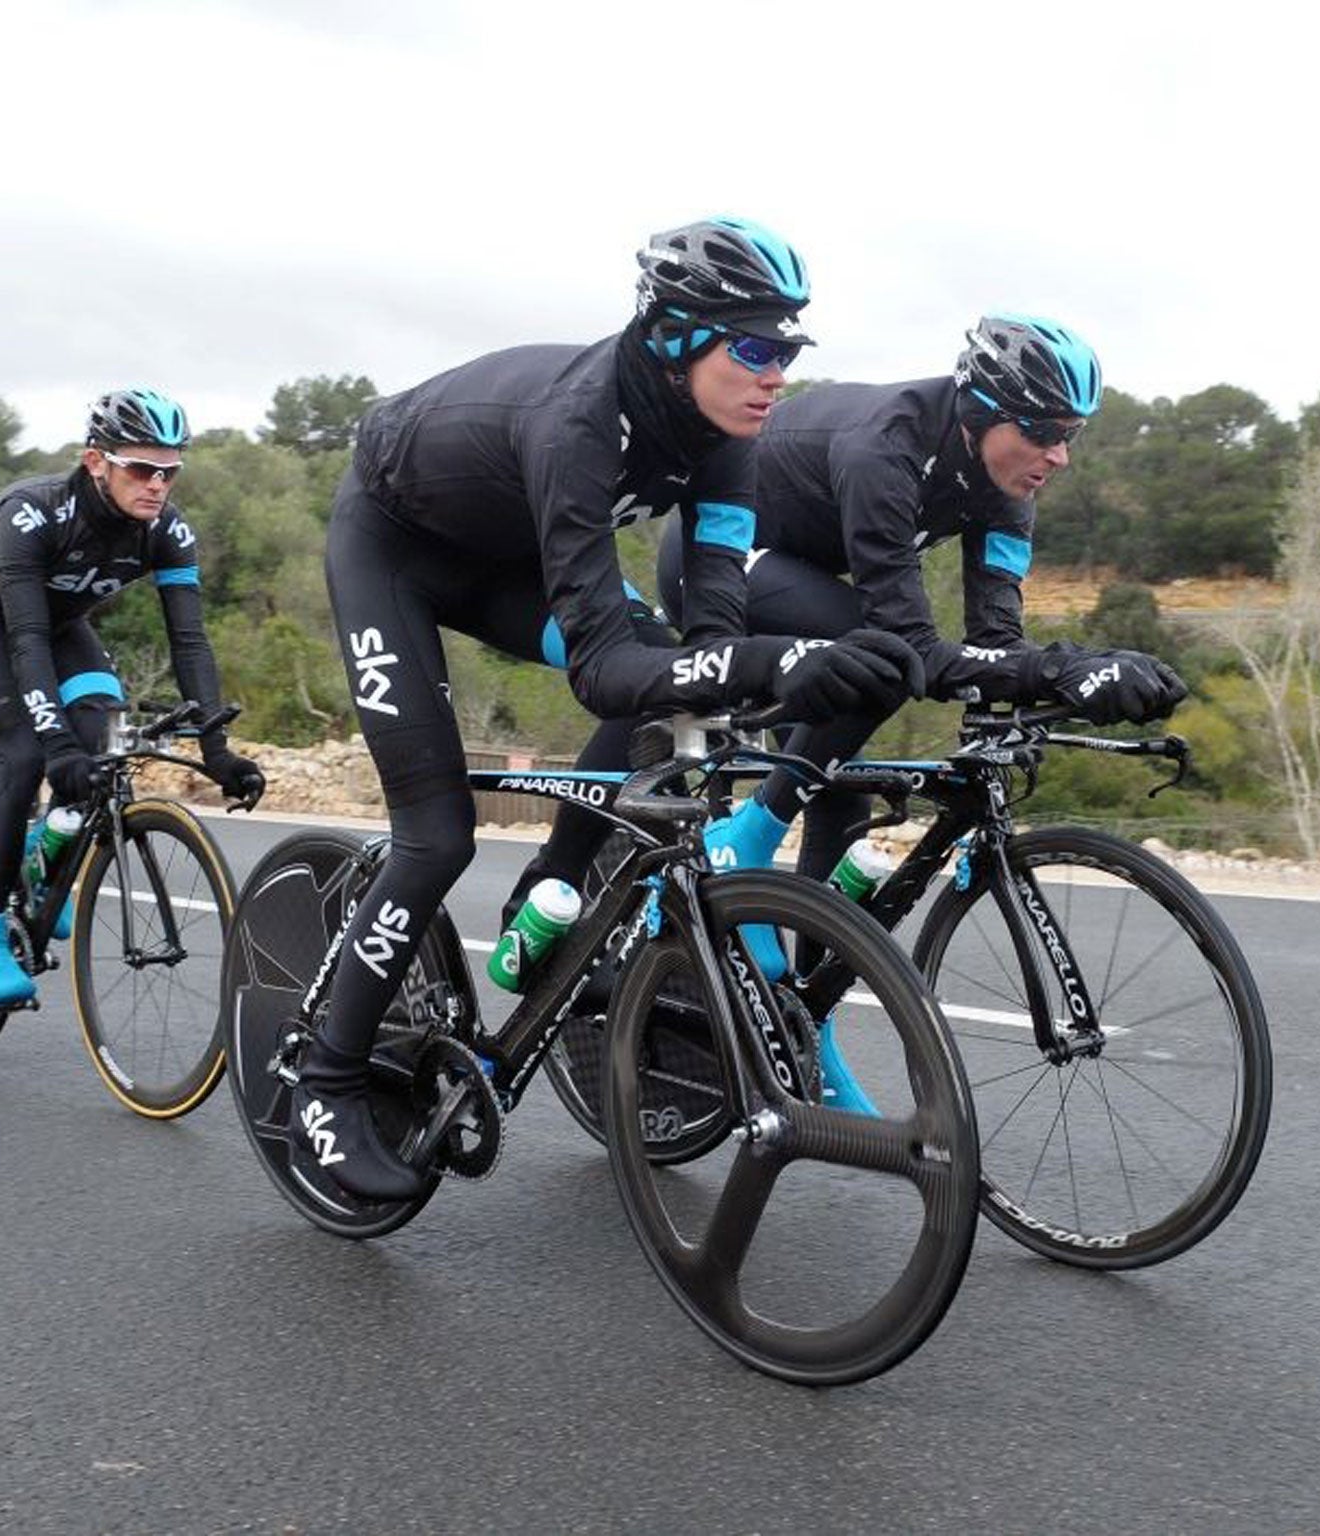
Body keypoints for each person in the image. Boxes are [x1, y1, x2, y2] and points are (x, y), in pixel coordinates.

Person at [298, 217, 926, 1199]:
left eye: (787, 352)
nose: (776, 377)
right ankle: (325, 1085)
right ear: (674, 334)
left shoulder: (726, 438)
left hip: (510, 565)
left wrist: (779, 669)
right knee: (436, 836)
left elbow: (710, 643)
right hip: (395, 556)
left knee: (674, 683)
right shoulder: (580, 420)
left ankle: (558, 902)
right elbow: (599, 671)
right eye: (754, 349)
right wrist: (787, 654)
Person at [652, 314, 1188, 951]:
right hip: (712, 560)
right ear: (980, 409)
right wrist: (1059, 668)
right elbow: (913, 649)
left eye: (1071, 433)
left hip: (801, 573)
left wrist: (1085, 675)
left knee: (839, 793)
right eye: (1043, 430)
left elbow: (999, 646)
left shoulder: (1012, 489)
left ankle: (803, 1013)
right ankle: (746, 843)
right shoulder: (888, 445)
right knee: (879, 658)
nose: (1059, 455)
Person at [0, 388, 263, 1007]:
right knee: (26, 755)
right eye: (141, 469)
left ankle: (47, 848)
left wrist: (217, 749)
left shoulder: (167, 531)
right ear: (97, 462)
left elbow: (189, 642)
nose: (157, 485)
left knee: (104, 741)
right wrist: (54, 740)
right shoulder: (31, 515)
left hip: (62, 626)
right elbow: (26, 638)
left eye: (170, 471)